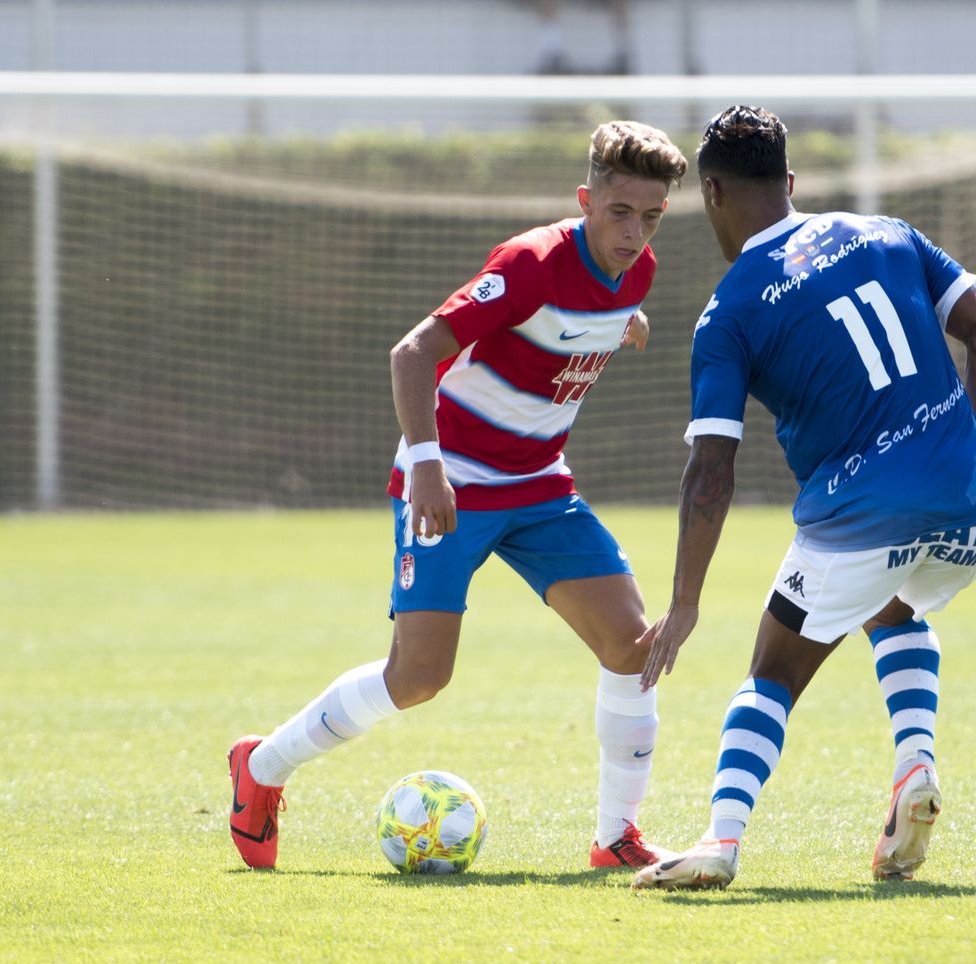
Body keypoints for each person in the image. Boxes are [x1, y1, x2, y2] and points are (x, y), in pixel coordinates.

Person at [228, 121, 690, 872]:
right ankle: (262, 767)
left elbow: (591, 313)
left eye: (651, 217)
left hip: (541, 485)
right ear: (585, 200)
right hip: (453, 483)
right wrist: (425, 468)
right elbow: (413, 352)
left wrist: (620, 322)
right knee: (418, 677)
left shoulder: (635, 272)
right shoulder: (530, 261)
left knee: (634, 648)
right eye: (619, 213)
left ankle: (615, 838)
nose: (635, 233)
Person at [631, 105, 976, 890]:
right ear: (791, 183)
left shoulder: (729, 312)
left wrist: (685, 598)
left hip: (863, 521)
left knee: (773, 668)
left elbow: (710, 470)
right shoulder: (890, 233)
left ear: (710, 192)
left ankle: (721, 839)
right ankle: (915, 768)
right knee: (896, 604)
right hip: (971, 508)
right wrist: (955, 450)